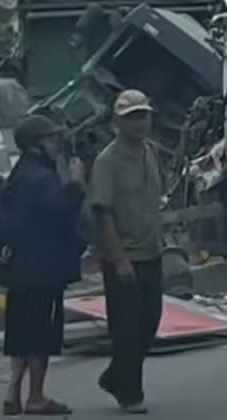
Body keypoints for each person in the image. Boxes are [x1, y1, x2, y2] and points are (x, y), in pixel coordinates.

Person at [0, 114, 86, 416]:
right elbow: (58, 212)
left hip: (19, 268)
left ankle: (12, 392)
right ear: (38, 144)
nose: (57, 144)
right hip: (43, 269)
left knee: (20, 332)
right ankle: (35, 396)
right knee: (41, 336)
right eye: (51, 139)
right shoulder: (43, 179)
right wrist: (75, 185)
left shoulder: (17, 176)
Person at [89, 89, 164, 414]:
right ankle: (130, 391)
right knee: (127, 327)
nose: (139, 122)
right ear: (117, 122)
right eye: (131, 117)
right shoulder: (108, 161)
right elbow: (102, 212)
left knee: (151, 320)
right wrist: (118, 259)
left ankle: (115, 375)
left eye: (143, 115)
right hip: (125, 255)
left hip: (152, 251)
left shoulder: (150, 152)